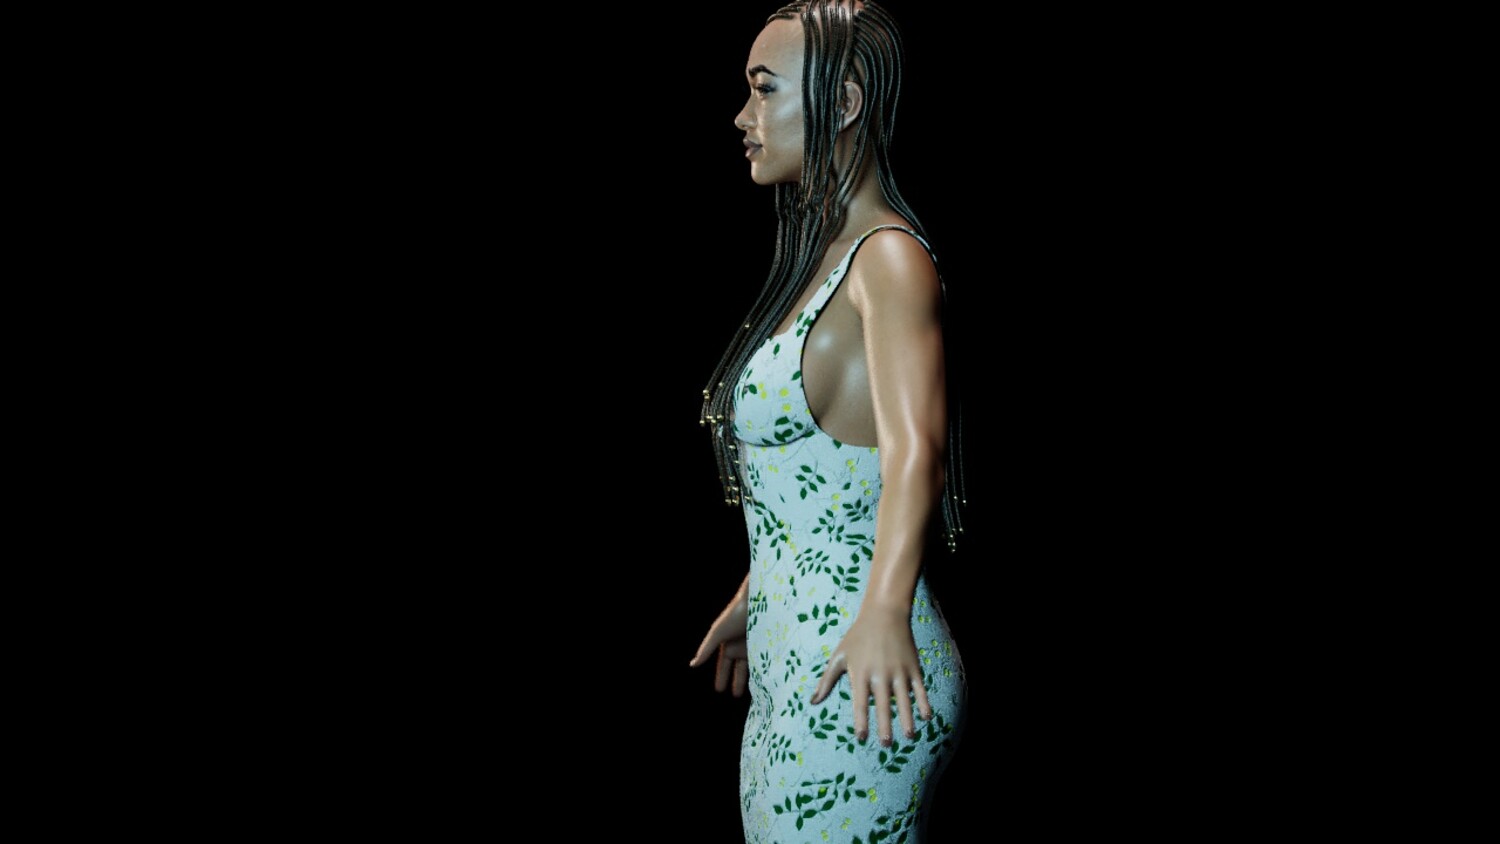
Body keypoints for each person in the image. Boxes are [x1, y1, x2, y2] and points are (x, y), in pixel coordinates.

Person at [686, 2, 969, 841]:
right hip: (799, 665)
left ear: (841, 104)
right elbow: (831, 478)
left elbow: (918, 451)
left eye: (764, 89)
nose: (743, 117)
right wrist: (757, 595)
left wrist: (883, 609)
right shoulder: (824, 265)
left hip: (862, 674)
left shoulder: (889, 259)